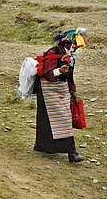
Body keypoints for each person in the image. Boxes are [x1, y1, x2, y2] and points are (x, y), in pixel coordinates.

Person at [34, 29, 87, 163]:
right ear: (68, 42)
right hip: (48, 89)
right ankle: (70, 153)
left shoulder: (70, 56)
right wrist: (59, 71)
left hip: (62, 89)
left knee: (64, 119)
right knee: (52, 120)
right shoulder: (53, 53)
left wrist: (73, 91)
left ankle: (49, 147)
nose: (76, 48)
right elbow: (47, 73)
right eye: (74, 45)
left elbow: (70, 76)